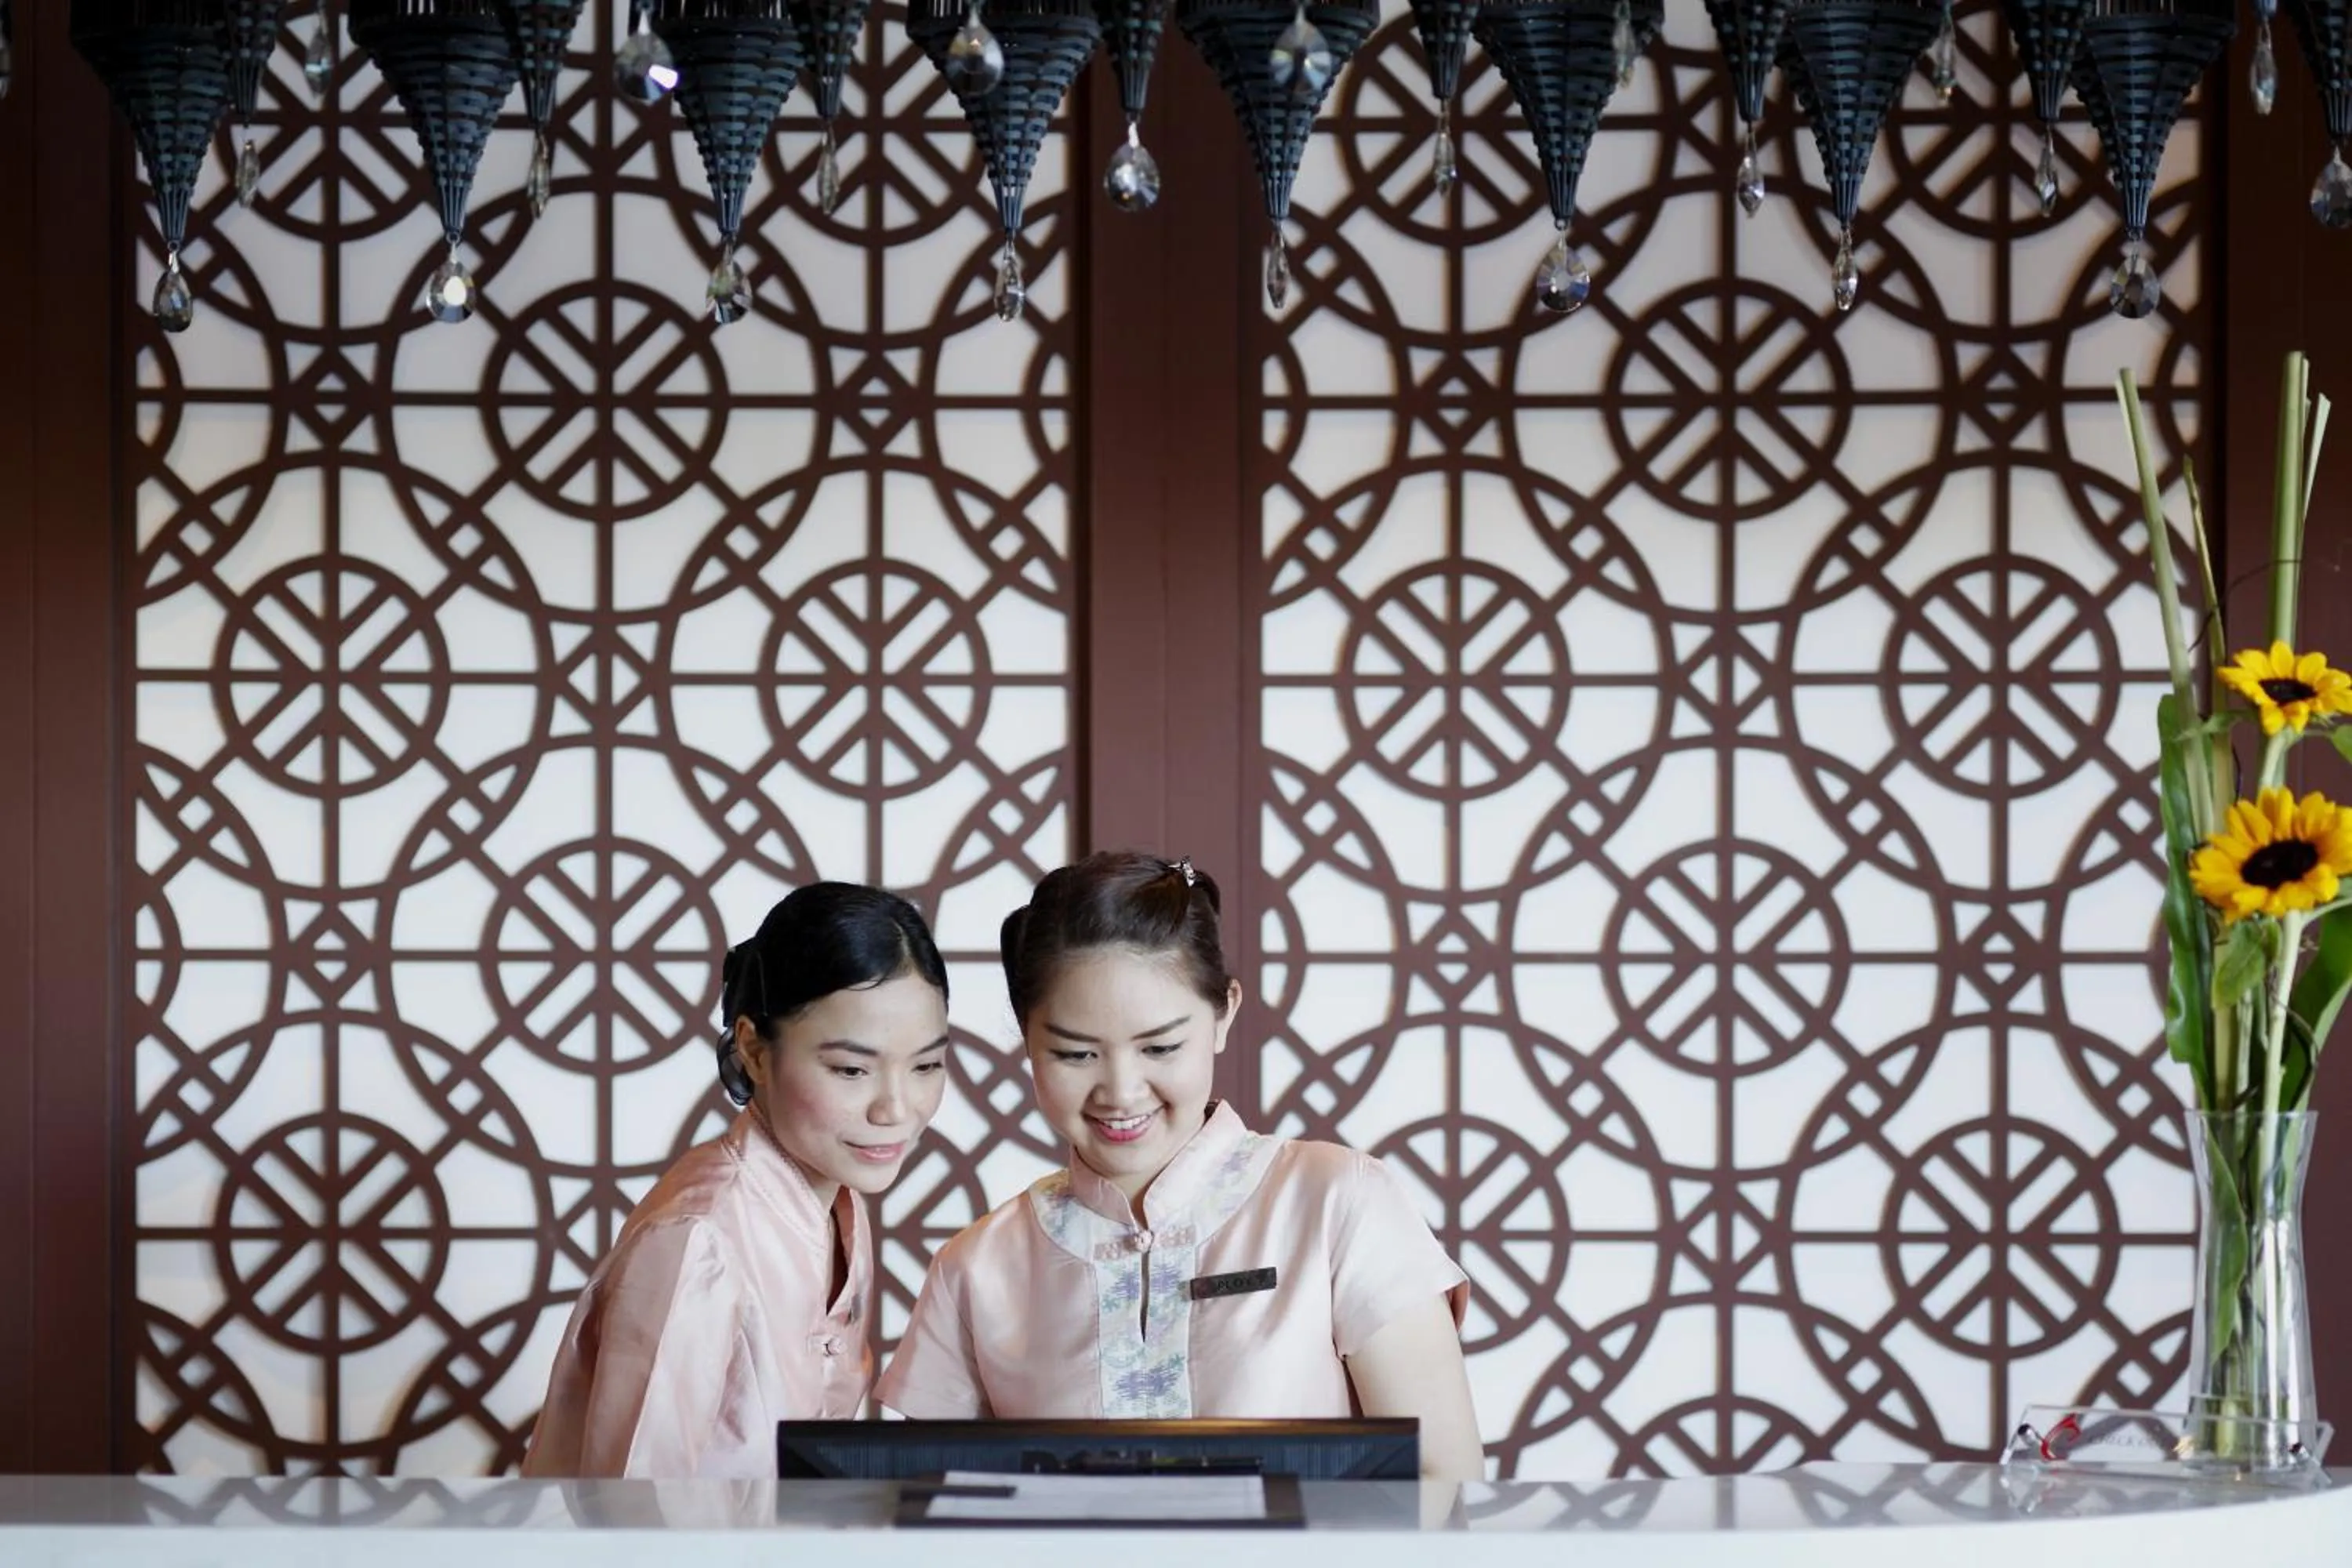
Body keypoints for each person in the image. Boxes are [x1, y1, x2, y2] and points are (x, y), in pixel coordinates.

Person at [876, 851, 1484, 1480]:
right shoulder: (976, 1267)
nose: (1120, 1090)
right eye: (1075, 1054)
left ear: (1224, 1014)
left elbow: (1444, 1479)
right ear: (1027, 1042)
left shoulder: (1338, 1201)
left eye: (1161, 1047)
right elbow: (928, 1505)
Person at [521, 883, 952, 1478]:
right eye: (852, 1069)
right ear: (752, 1049)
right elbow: (630, 1517)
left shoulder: (838, 1196)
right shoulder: (697, 1240)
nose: (896, 1109)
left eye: (927, 1066)